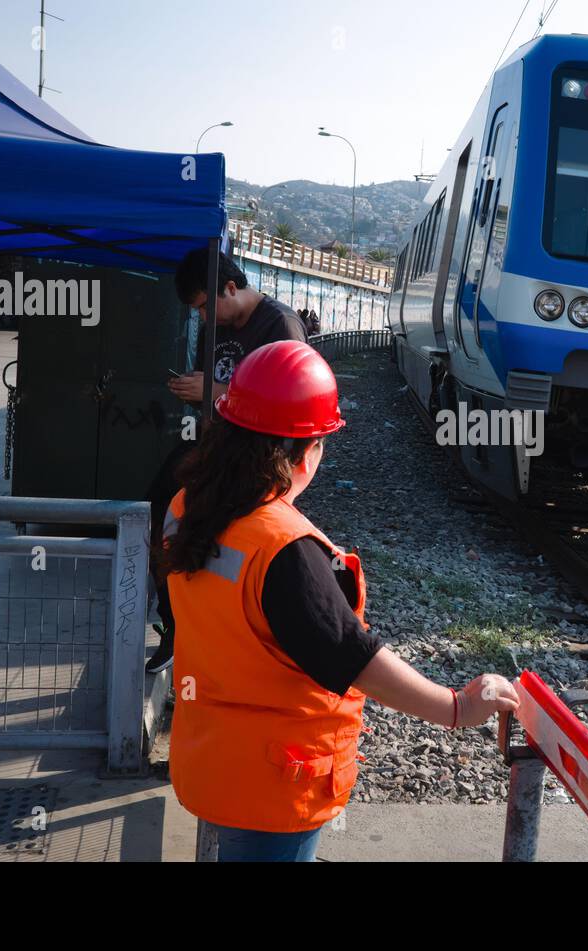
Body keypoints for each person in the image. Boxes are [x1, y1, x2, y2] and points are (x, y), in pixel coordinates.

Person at [159, 340, 519, 861]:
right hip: (274, 784)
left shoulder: (185, 505)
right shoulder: (284, 550)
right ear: (303, 452)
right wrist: (457, 707)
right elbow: (353, 657)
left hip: (209, 759)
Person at [144, 248, 307, 674]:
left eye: (203, 307)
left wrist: (214, 391)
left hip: (258, 458)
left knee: (220, 535)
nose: (201, 319)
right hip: (215, 444)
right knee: (157, 508)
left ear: (230, 287)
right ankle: (176, 624)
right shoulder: (217, 326)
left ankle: (213, 630)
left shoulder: (280, 325)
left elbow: (289, 404)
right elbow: (212, 391)